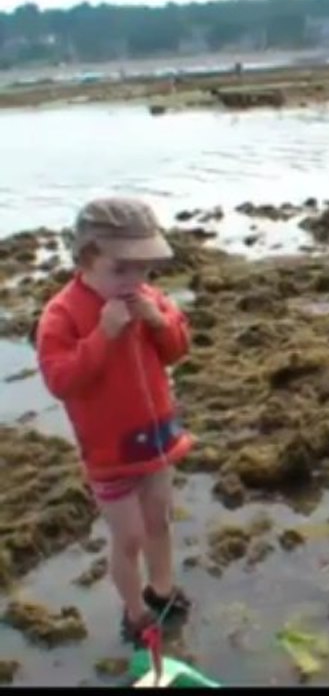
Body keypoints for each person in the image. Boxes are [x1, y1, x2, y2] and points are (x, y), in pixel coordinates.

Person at [35, 197, 194, 645]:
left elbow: (177, 350)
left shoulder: (148, 299)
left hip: (156, 436)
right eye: (120, 269)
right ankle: (136, 611)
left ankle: (162, 588)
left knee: (160, 519)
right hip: (109, 452)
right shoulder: (62, 314)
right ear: (86, 258)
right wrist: (102, 335)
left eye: (143, 269)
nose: (134, 281)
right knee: (129, 538)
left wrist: (159, 321)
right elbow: (61, 381)